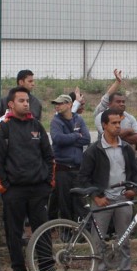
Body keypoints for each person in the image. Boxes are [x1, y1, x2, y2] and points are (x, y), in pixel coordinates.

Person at [0, 86, 54, 271]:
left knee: (42, 229)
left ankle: (47, 269)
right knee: (14, 232)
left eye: (27, 100)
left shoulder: (37, 125)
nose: (26, 103)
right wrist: (4, 188)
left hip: (38, 189)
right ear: (11, 104)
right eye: (21, 101)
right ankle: (18, 270)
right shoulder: (3, 127)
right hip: (13, 190)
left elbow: (49, 156)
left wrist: (48, 183)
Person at [79, 109, 137, 271]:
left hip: (122, 199)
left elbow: (136, 173)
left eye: (119, 123)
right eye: (113, 123)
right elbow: (84, 177)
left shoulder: (126, 149)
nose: (117, 126)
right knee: (97, 240)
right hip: (102, 200)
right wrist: (96, 197)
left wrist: (134, 190)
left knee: (124, 237)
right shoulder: (94, 150)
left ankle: (125, 270)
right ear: (104, 125)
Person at [50, 92, 91, 223]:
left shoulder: (78, 119)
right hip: (62, 169)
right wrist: (75, 136)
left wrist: (70, 138)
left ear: (69, 104)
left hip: (77, 168)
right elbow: (57, 139)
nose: (57, 106)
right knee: (65, 202)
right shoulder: (55, 121)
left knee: (80, 201)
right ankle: (67, 232)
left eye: (60, 103)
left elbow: (86, 138)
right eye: (56, 104)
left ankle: (81, 232)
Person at [93, 69, 137, 146]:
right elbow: (107, 136)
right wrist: (129, 131)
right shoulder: (101, 116)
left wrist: (117, 136)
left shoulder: (130, 117)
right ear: (109, 104)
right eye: (118, 102)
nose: (122, 104)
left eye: (123, 102)